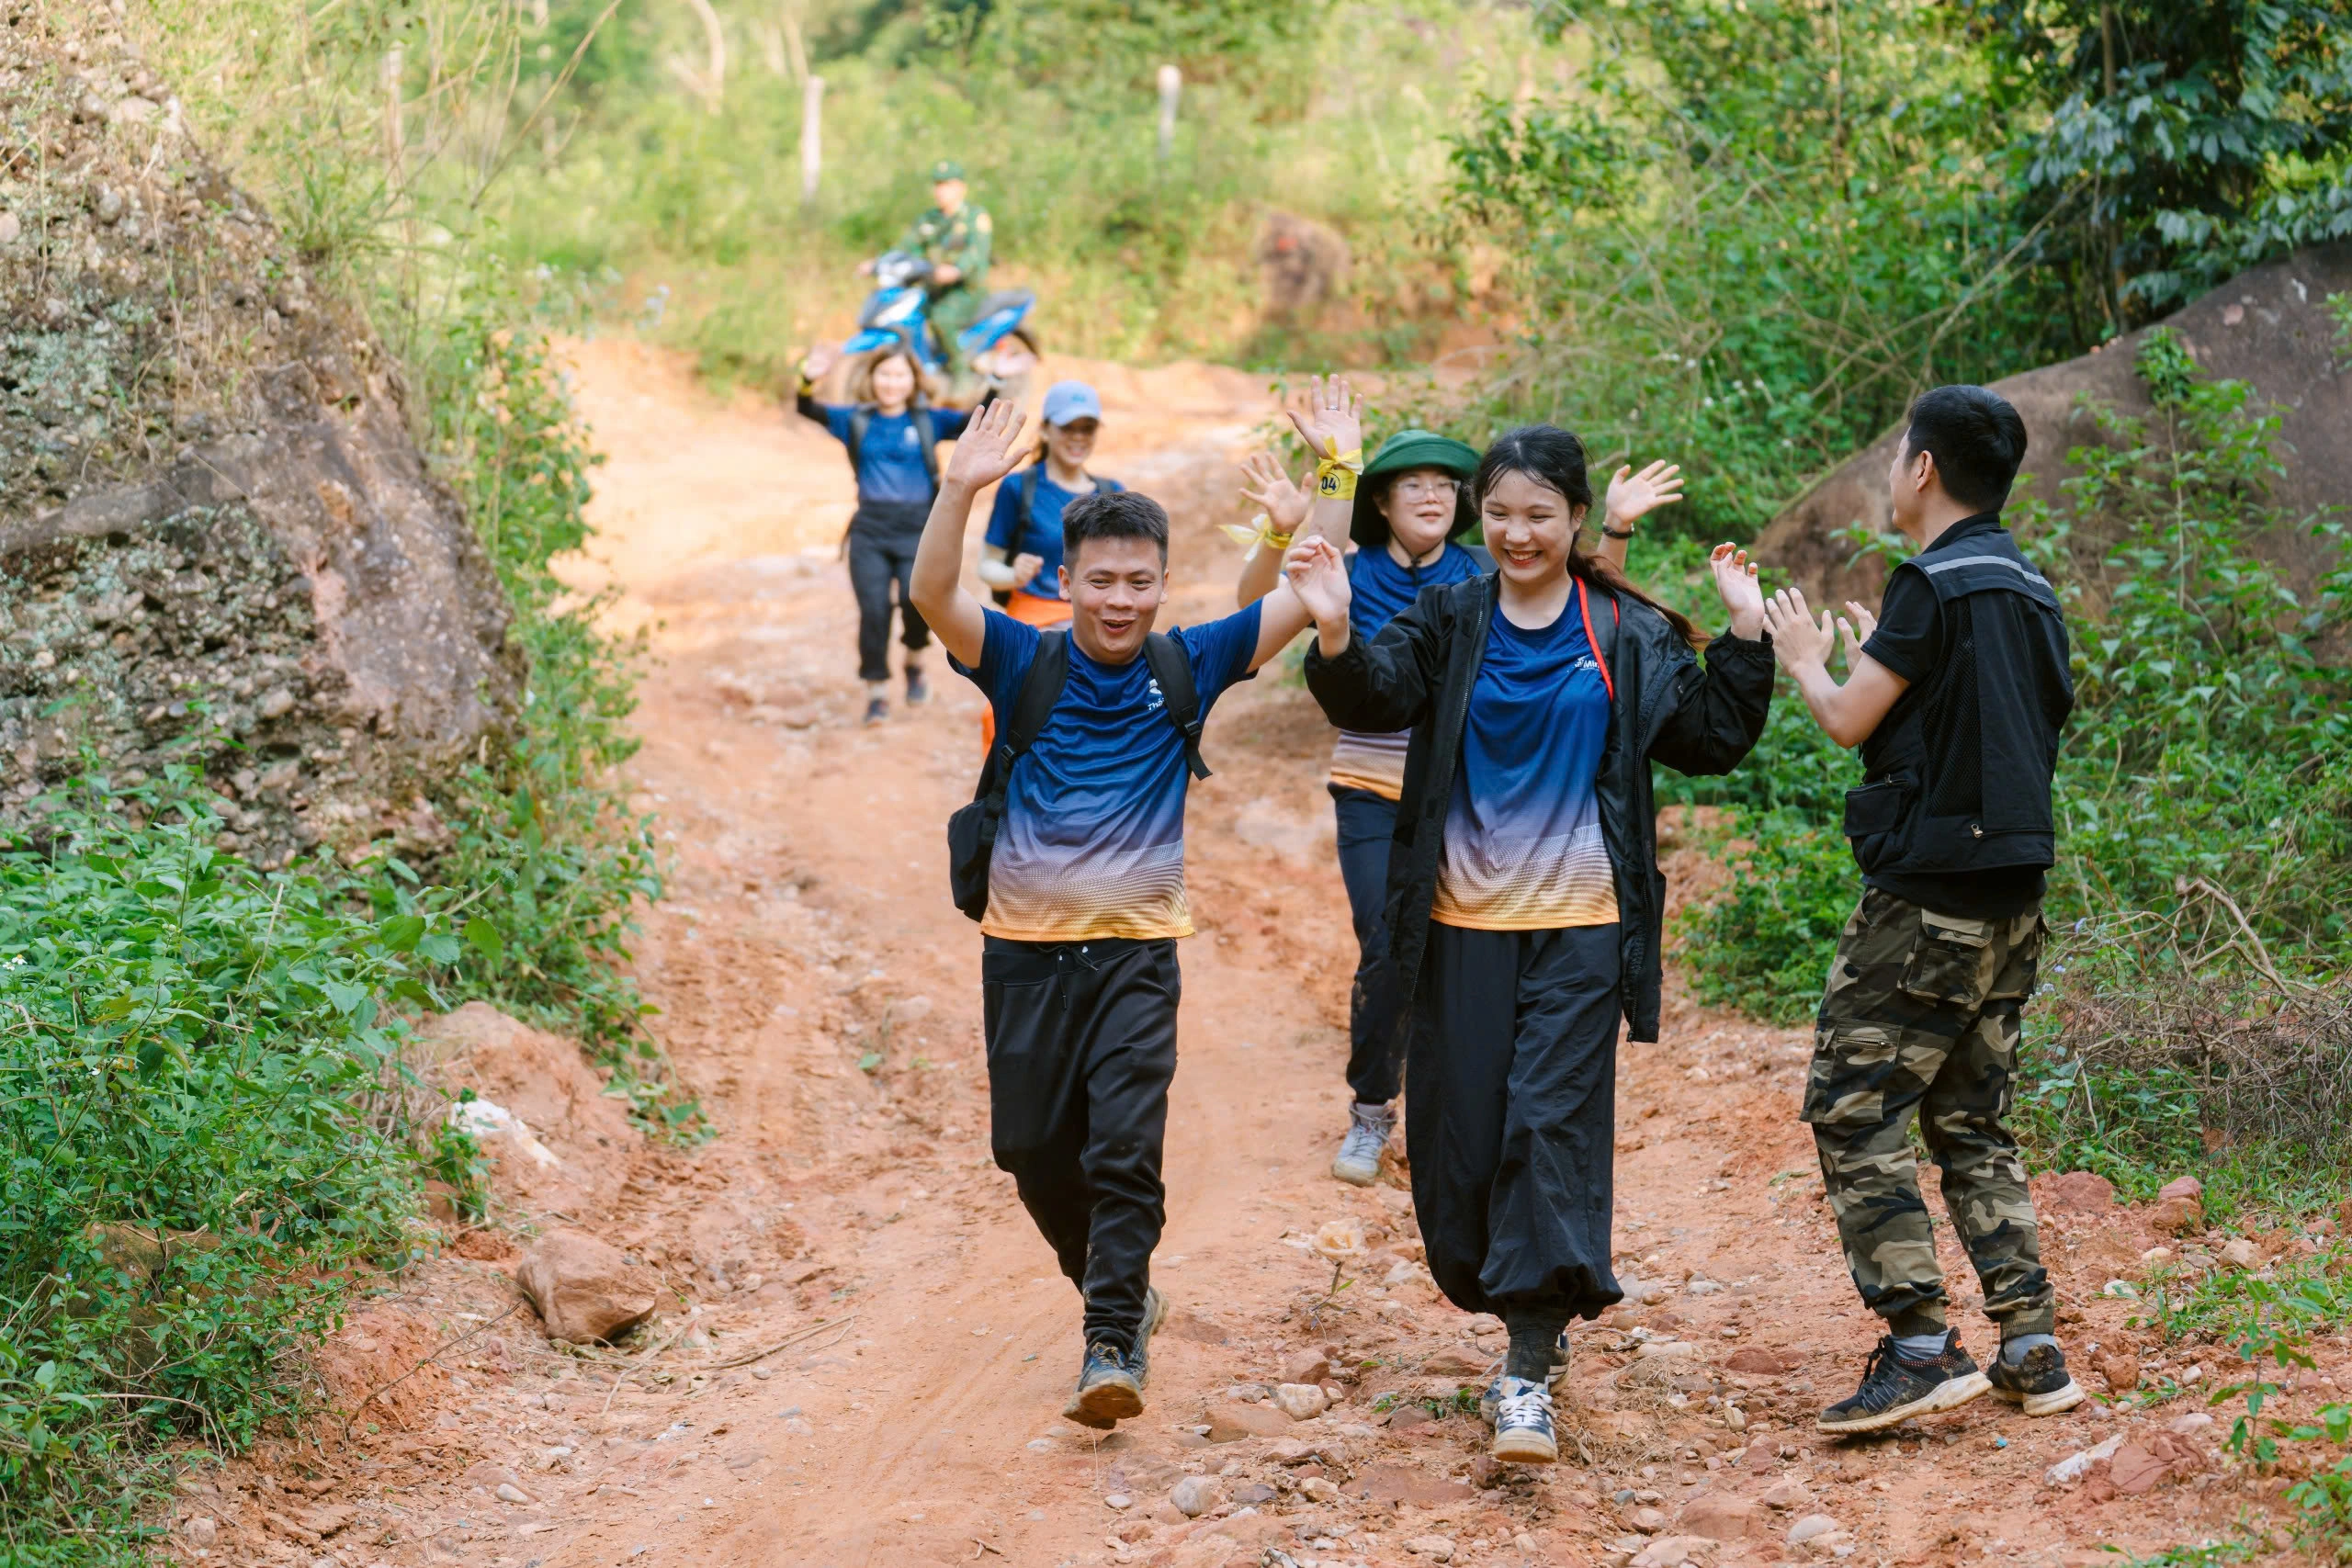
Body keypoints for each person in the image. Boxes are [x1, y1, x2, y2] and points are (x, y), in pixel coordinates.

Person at [1288, 424, 1771, 1465]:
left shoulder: (1619, 628)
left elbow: (1706, 740)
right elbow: (1376, 696)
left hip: (1581, 928)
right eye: (1498, 514)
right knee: (1458, 1147)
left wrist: (1741, 639)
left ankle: (1526, 1364)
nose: (1515, 533)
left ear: (1576, 522)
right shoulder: (1450, 612)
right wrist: (1332, 634)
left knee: (1548, 1127)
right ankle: (1503, 1298)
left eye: (1537, 516)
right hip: (1459, 927)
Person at [910, 397, 1332, 1431]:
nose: (1119, 600)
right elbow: (931, 593)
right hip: (1022, 954)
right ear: (1067, 580)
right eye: (1100, 580)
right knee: (1028, 1150)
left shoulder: (1189, 662)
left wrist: (1321, 483)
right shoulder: (1022, 658)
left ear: (1161, 584)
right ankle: (1125, 1292)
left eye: (1139, 582)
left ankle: (1109, 1340)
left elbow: (1300, 592)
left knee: (1124, 1150)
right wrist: (960, 489)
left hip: (1139, 953)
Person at [1234, 387, 1687, 1188]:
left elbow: (1586, 608)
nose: (1435, 495)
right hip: (1376, 794)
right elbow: (1283, 594)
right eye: (1414, 483)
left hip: (1467, 807)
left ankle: (1491, 1106)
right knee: (1388, 945)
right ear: (1384, 499)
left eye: (1448, 483)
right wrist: (1334, 468)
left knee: (1451, 959)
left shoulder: (1486, 570)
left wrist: (1612, 528)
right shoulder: (1361, 572)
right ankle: (1372, 1107)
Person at [1757, 384, 2085, 1435]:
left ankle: (1915, 1344)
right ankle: (2030, 1345)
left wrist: (1808, 661)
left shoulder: (1928, 581)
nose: (1894, 471)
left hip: (1926, 905)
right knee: (1969, 1118)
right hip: (2014, 905)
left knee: (1854, 1110)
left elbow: (1852, 720)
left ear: (1925, 468)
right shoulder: (2028, 588)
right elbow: (1992, 732)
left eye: (1901, 453)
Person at [797, 342, 980, 725]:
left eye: (900, 374)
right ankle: (877, 691)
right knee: (874, 611)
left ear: (913, 379)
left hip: (918, 531)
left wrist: (996, 379)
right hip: (870, 532)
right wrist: (807, 379)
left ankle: (914, 658)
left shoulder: (929, 419)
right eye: (885, 373)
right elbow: (806, 407)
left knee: (918, 605)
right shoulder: (856, 419)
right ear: (872, 378)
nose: (892, 382)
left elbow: (972, 422)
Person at [980, 379, 1120, 630]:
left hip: (1098, 626)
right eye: (1067, 428)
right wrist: (1014, 575)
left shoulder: (1113, 494)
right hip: (1035, 626)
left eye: (1087, 429)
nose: (1078, 437)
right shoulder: (1019, 487)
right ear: (1045, 429)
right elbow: (987, 566)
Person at [876, 158, 992, 382]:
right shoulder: (929, 220)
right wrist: (878, 262)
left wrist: (957, 270)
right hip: (933, 289)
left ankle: (962, 375)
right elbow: (906, 246)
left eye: (947, 184)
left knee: (941, 319)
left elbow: (976, 254)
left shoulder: (975, 217)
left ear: (961, 187)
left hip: (964, 291)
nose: (941, 190)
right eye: (938, 185)